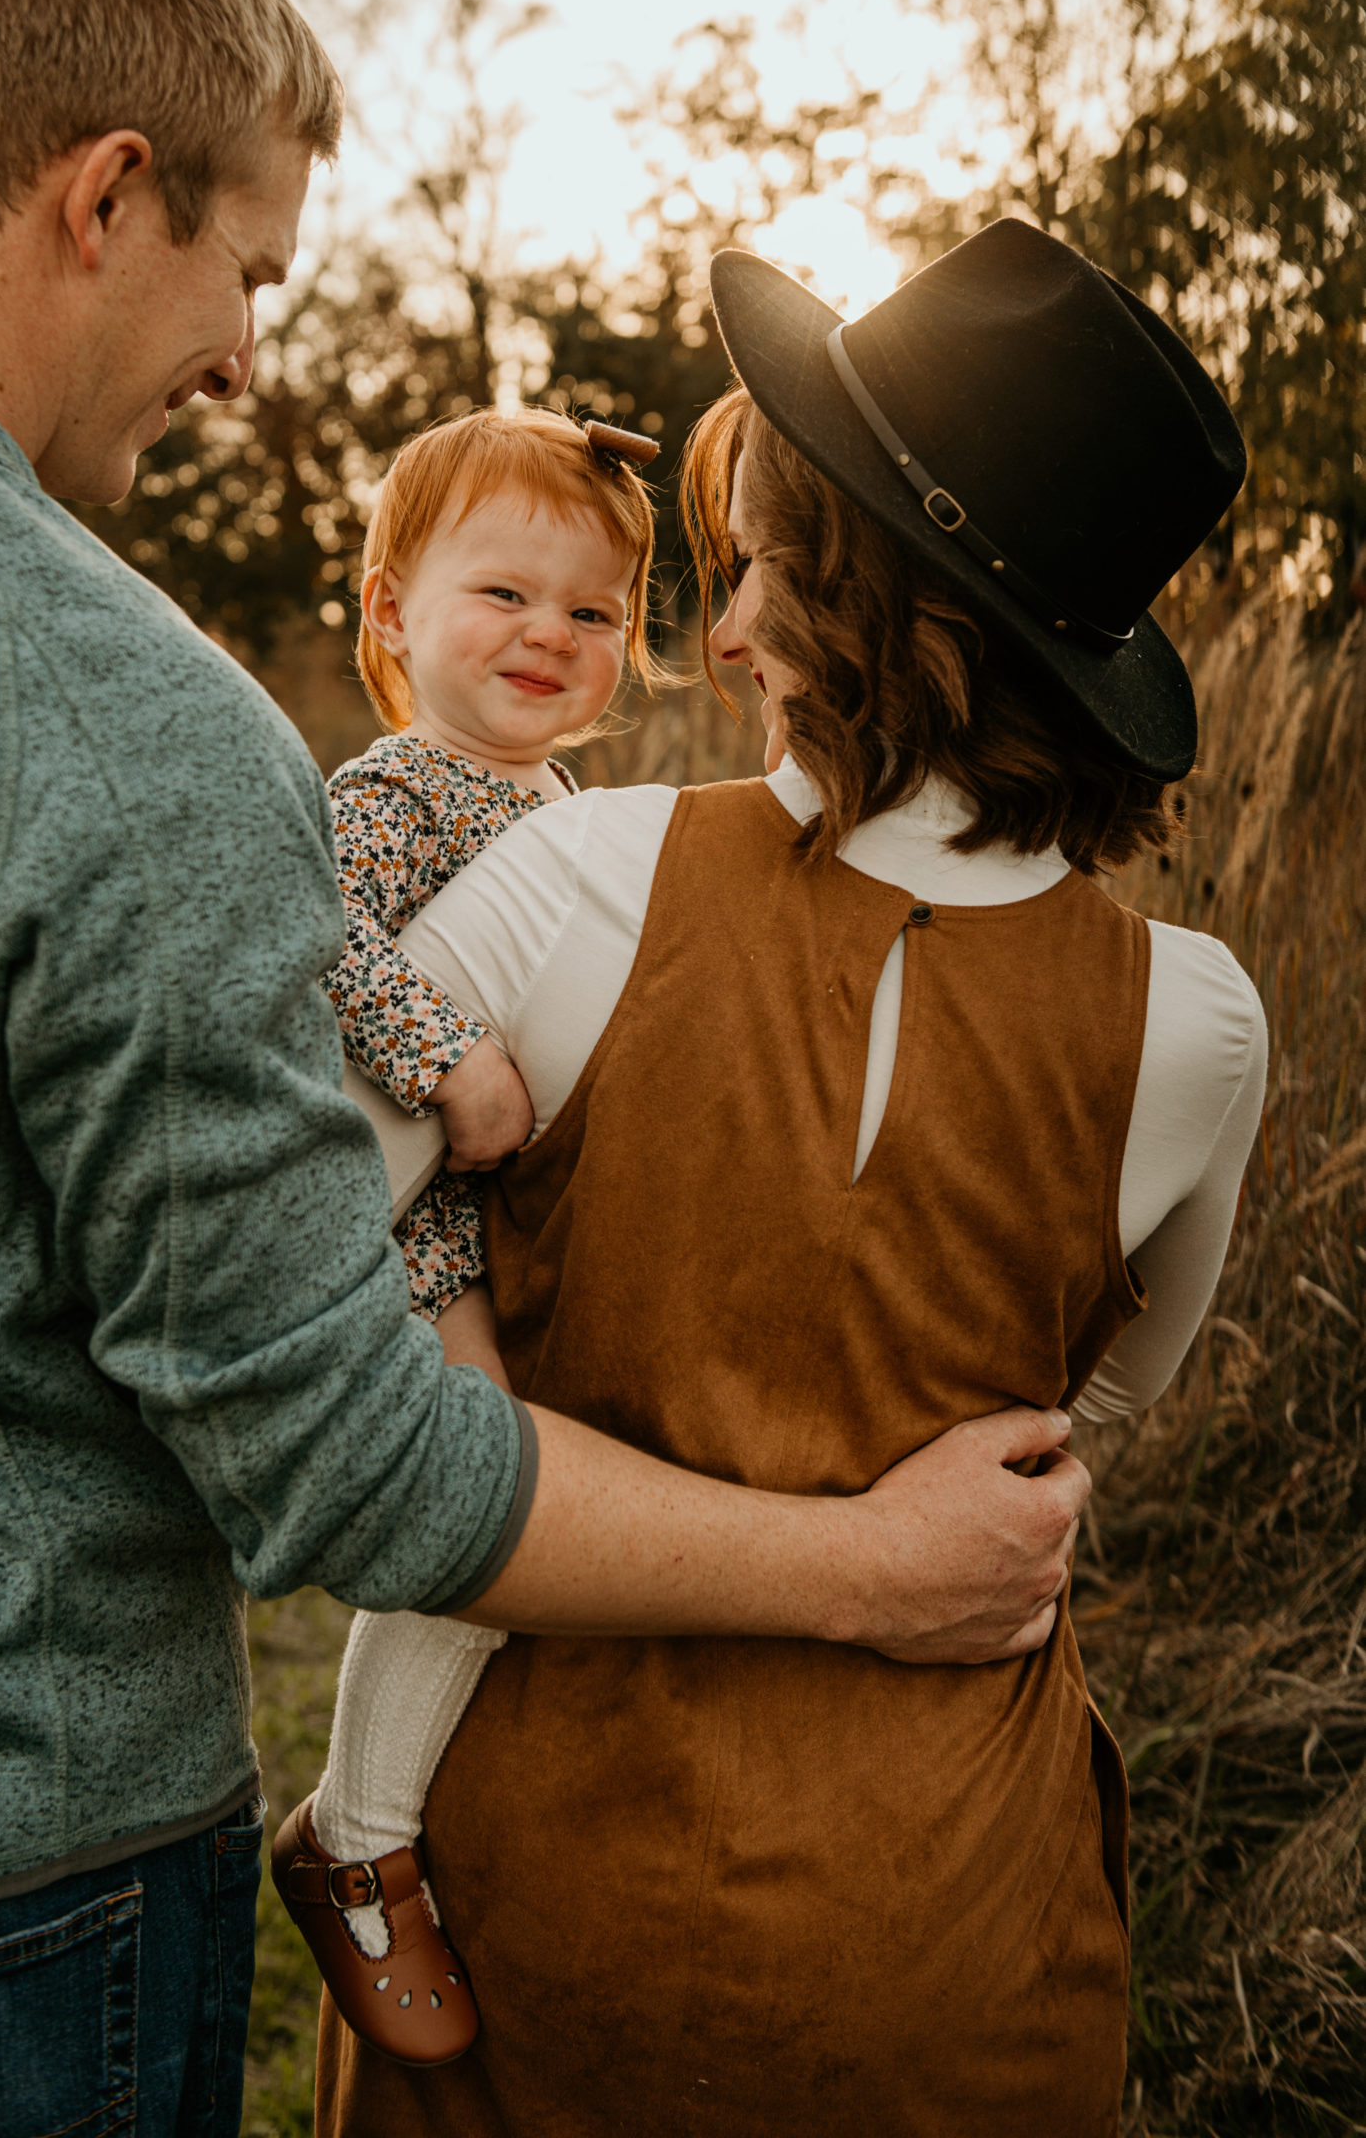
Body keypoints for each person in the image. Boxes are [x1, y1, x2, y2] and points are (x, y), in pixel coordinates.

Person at [0, 0, 1086, 2136]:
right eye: (246, 270)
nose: (246, 357)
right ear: (103, 194)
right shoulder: (121, 713)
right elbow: (341, 1454)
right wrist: (862, 1565)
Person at [315, 221, 1268, 2137]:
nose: (722, 629)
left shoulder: (573, 884)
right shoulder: (1198, 1017)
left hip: (542, 1923)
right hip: (960, 1941)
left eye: (757, 569)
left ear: (882, 603)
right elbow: (1087, 1411)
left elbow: (295, 1279)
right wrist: (865, 1527)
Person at [272, 404, 663, 2062]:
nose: (547, 637)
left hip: (527, 1229)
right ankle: (357, 1832)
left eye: (591, 614)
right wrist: (448, 1057)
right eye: (502, 594)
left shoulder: (581, 808)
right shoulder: (390, 790)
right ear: (388, 613)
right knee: (485, 1509)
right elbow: (312, 941)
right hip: (416, 1231)